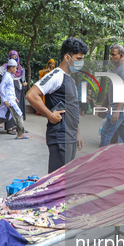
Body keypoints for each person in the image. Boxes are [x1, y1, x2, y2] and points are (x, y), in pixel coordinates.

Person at [26, 37, 86, 173]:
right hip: (60, 136)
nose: (81, 62)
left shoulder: (69, 78)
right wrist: (49, 115)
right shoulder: (55, 76)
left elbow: (71, 108)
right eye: (78, 58)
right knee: (57, 181)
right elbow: (31, 95)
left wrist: (77, 133)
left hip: (70, 136)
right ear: (67, 57)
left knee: (66, 179)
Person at [99, 44, 124, 147]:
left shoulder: (123, 70)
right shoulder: (116, 68)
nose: (111, 57)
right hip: (117, 107)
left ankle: (100, 159)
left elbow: (123, 91)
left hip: (120, 108)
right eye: (111, 54)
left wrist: (117, 111)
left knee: (105, 134)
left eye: (114, 55)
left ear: (121, 56)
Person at [0, 59, 27, 139]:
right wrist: (5, 100)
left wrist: (14, 98)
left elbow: (9, 89)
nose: (16, 70)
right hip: (9, 101)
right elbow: (1, 88)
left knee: (6, 116)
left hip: (11, 99)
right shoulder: (7, 76)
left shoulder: (9, 76)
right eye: (15, 68)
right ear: (11, 68)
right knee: (19, 115)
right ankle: (20, 134)